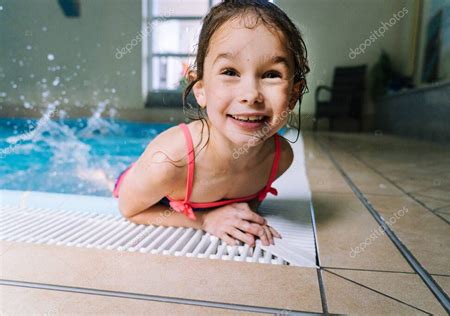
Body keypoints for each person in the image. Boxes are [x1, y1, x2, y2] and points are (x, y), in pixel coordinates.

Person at [114, 0, 309, 247]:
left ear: (292, 95)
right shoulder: (168, 160)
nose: (250, 94)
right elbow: (129, 210)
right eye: (230, 72)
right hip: (151, 183)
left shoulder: (280, 158)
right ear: (201, 89)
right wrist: (205, 220)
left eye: (271, 74)